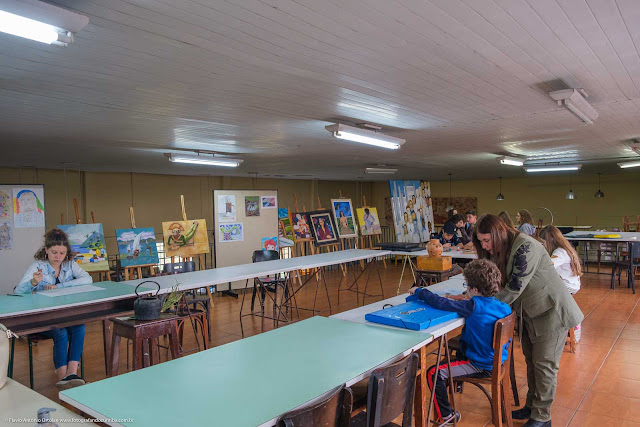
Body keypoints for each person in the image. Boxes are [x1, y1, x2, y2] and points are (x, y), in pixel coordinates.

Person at [472, 215, 583, 427]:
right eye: (481, 242)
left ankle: (542, 417)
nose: (485, 247)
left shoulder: (526, 246)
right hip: (531, 314)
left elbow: (514, 287)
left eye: (487, 240)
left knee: (545, 365)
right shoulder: (505, 248)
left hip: (552, 313)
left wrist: (481, 306)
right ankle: (532, 407)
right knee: (533, 362)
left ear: (500, 233)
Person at [409, 259, 512, 425]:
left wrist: (419, 291)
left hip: (480, 364)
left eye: (467, 286)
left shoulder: (473, 306)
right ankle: (454, 386)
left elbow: (441, 303)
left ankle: (447, 415)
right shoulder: (504, 306)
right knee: (457, 351)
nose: (466, 290)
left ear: (475, 289)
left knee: (432, 373)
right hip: (496, 360)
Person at [15, 229, 92, 390]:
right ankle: (63, 379)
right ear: (46, 251)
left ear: (66, 253)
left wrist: (59, 286)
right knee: (61, 332)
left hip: (62, 315)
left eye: (62, 253)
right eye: (54, 252)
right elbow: (18, 292)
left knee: (80, 327)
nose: (58, 256)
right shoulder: (37, 266)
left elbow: (88, 279)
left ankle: (72, 374)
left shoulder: (70, 264)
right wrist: (33, 283)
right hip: (42, 318)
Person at [539, 225, 582, 341]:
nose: (543, 246)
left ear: (550, 240)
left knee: (542, 294)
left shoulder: (560, 252)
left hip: (568, 286)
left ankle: (561, 323)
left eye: (543, 243)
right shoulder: (565, 248)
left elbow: (547, 266)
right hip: (571, 283)